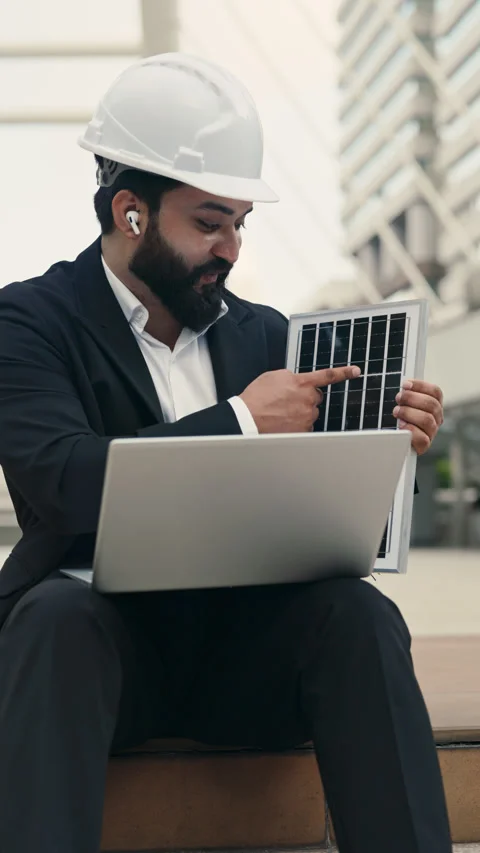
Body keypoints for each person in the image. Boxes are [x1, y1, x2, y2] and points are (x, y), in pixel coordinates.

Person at [0, 53, 450, 853]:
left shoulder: (269, 335)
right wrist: (241, 419)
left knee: (361, 615)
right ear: (130, 211)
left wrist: (391, 453)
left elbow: (334, 525)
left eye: (240, 223)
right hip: (99, 662)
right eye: (209, 222)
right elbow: (60, 482)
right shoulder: (28, 323)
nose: (231, 248)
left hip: (246, 660)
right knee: (56, 617)